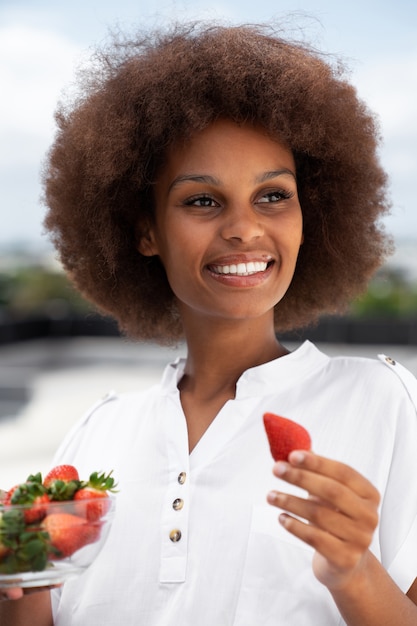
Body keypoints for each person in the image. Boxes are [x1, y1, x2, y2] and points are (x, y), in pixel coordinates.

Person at [1, 21, 417, 626]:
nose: (245, 228)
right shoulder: (100, 429)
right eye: (202, 200)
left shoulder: (384, 402)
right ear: (145, 231)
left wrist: (355, 574)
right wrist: (19, 572)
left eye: (273, 195)